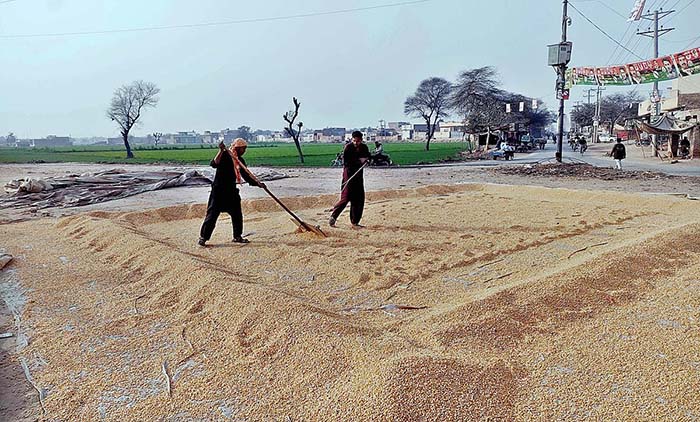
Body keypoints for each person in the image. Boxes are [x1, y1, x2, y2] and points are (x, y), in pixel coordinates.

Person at [198, 138, 265, 246]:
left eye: (245, 148)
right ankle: (203, 237)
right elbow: (214, 163)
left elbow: (246, 176)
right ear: (237, 148)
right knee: (212, 215)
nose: (244, 151)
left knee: (237, 214)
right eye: (243, 148)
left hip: (231, 191)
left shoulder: (240, 161)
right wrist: (220, 150)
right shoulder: (225, 155)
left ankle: (237, 236)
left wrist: (258, 184)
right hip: (218, 191)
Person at [329, 131, 371, 228]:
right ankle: (333, 217)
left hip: (359, 176)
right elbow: (346, 162)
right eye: (355, 141)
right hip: (349, 175)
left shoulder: (364, 147)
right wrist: (359, 161)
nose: (356, 143)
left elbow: (368, 156)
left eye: (358, 141)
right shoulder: (348, 147)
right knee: (346, 197)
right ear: (352, 139)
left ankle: (355, 222)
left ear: (361, 140)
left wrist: (367, 160)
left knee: (359, 199)